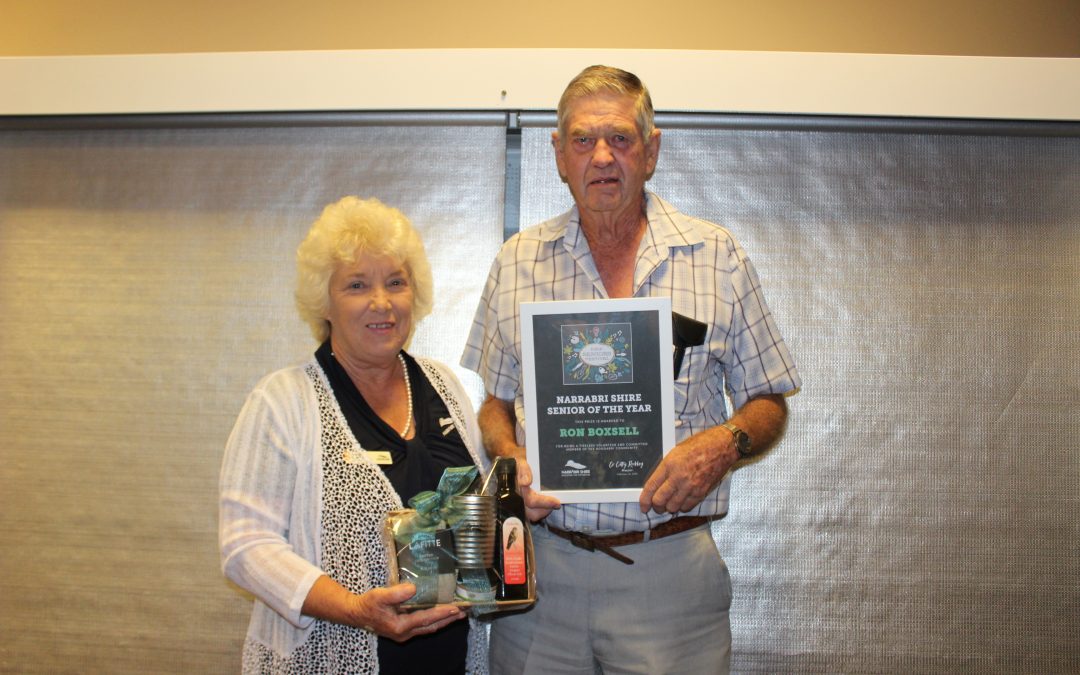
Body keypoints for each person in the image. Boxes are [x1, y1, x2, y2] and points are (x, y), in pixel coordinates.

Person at [461, 65, 801, 674]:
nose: (602, 156)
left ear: (651, 150)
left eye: (620, 138)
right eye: (583, 139)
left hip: (668, 576)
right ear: (559, 155)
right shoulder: (517, 262)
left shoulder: (715, 256)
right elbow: (494, 402)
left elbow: (768, 400)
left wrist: (723, 445)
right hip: (542, 574)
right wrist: (507, 454)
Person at [220, 196, 489, 674]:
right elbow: (246, 547)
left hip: (449, 660)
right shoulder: (283, 402)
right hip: (332, 656)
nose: (381, 303)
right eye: (357, 285)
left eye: (395, 283)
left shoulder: (445, 387)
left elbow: (477, 513)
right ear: (325, 302)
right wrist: (354, 610)